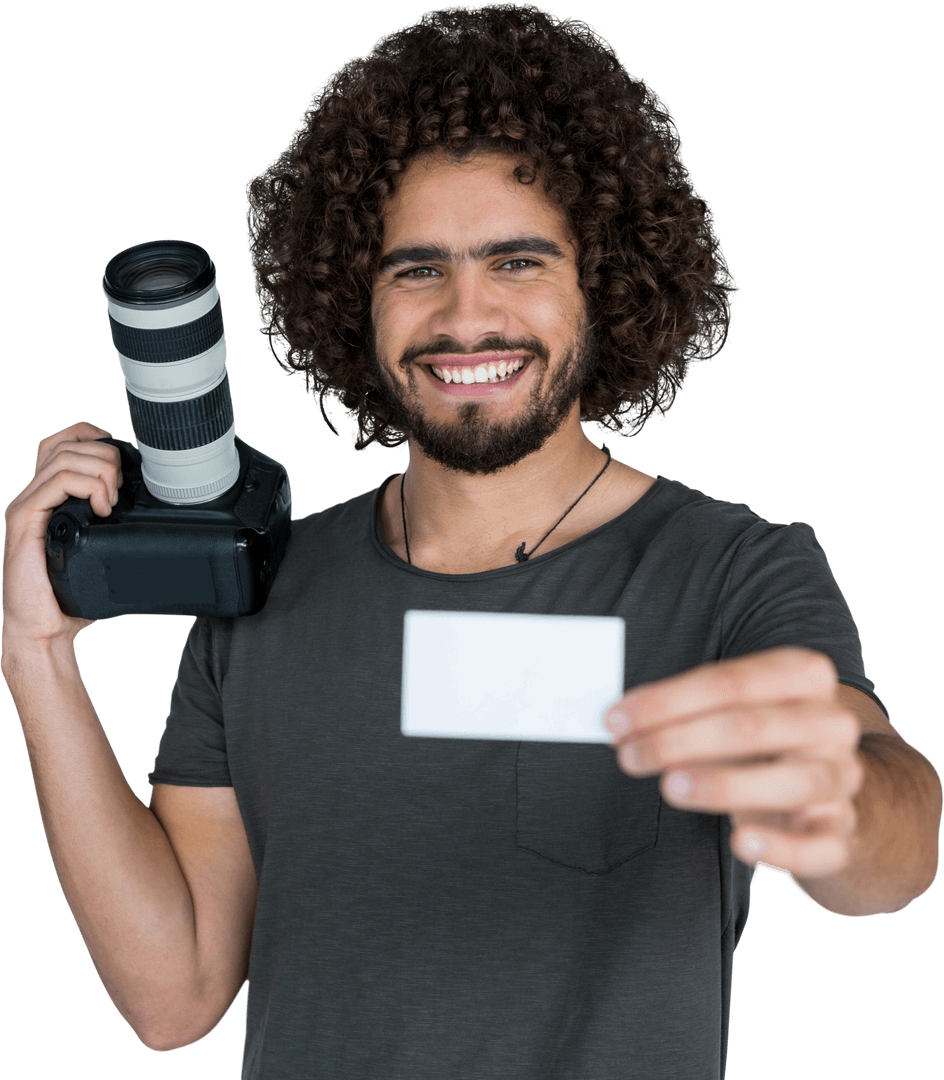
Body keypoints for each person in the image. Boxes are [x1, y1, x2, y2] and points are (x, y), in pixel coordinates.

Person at [1, 5, 939, 1078]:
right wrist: (36, 658)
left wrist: (845, 802)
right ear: (351, 298)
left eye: (517, 262)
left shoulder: (727, 571)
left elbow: (893, 853)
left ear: (606, 281)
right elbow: (172, 997)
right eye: (415, 269)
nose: (464, 315)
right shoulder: (262, 589)